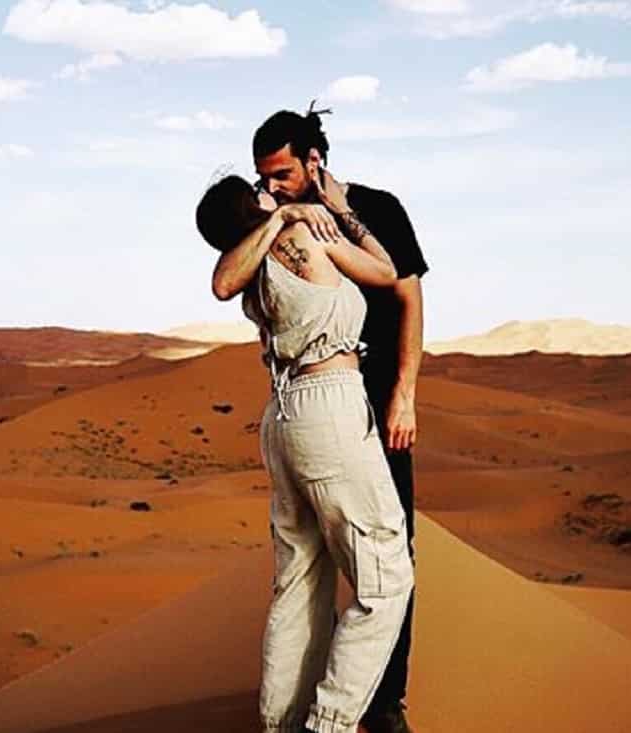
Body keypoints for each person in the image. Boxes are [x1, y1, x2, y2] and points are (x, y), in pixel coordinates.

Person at [211, 107, 428, 733]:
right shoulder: (297, 230)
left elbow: (407, 292)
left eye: (281, 175)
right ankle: (332, 722)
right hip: (332, 408)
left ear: (314, 160)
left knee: (304, 576)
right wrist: (301, 214)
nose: (273, 187)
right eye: (263, 181)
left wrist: (404, 393)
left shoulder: (278, 245)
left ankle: (316, 716)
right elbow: (384, 272)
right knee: (386, 574)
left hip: (315, 410)